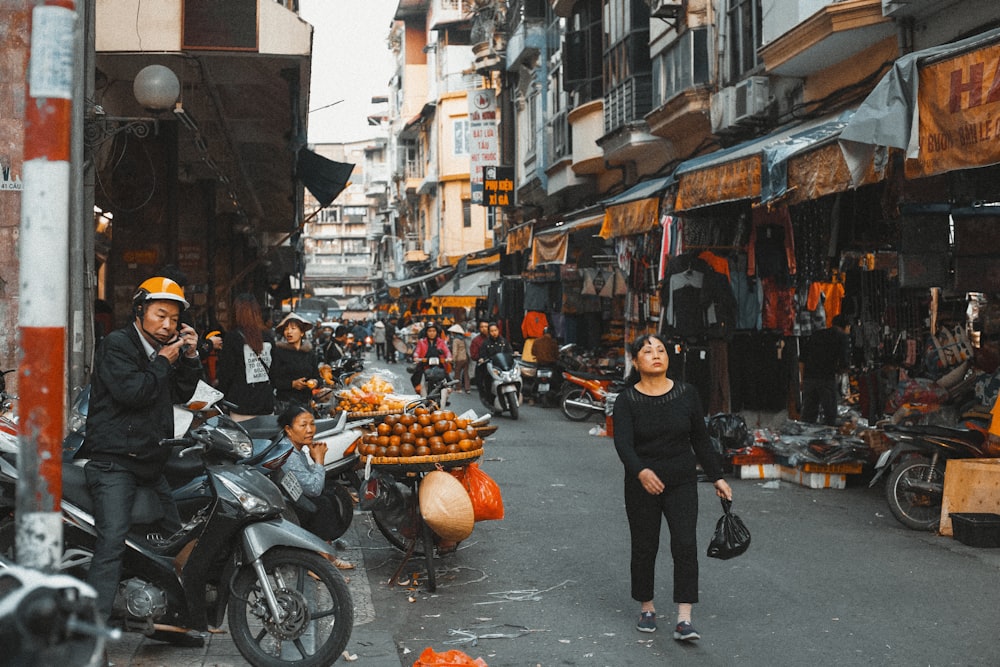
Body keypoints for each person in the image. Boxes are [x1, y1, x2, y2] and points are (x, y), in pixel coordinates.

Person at [82, 277, 203, 622]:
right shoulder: (118, 345)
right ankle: (91, 638)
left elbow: (182, 392)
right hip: (114, 465)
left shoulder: (165, 352)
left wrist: (190, 356)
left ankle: (173, 623)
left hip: (150, 462)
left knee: (175, 538)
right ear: (140, 311)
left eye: (174, 320)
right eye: (160, 315)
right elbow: (134, 392)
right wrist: (164, 361)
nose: (168, 325)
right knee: (111, 545)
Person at [612, 333, 732, 642]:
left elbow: (700, 439)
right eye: (648, 351)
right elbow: (623, 444)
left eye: (661, 350)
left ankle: (684, 617)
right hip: (642, 485)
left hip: (681, 481)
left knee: (684, 545)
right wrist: (640, 472)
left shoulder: (687, 394)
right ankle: (647, 607)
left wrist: (717, 476)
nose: (656, 355)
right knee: (644, 545)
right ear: (635, 362)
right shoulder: (626, 400)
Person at [277, 404, 355, 570]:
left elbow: (307, 479)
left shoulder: (295, 448)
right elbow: (313, 489)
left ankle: (327, 553)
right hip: (288, 507)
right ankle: (320, 562)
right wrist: (319, 460)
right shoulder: (288, 454)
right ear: (289, 430)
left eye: (312, 424)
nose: (310, 430)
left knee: (329, 494)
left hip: (296, 497)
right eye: (303, 425)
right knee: (322, 503)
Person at [217, 294, 275, 420]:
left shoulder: (232, 338)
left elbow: (226, 373)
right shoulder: (268, 337)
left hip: (241, 405)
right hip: (266, 402)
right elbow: (275, 371)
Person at [799, 314, 851, 426]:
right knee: (830, 415)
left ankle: (805, 438)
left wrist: (802, 379)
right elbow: (844, 363)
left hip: (809, 378)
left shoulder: (816, 334)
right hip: (826, 379)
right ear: (846, 327)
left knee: (808, 415)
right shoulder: (842, 337)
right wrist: (842, 372)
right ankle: (828, 440)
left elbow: (802, 359)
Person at [271, 312, 321, 412]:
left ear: (302, 333)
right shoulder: (278, 352)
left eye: (293, 328)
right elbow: (273, 380)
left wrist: (315, 382)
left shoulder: (309, 353)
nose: (288, 332)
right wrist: (292, 384)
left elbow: (318, 377)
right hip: (285, 404)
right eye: (286, 329)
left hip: (306, 403)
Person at [410, 323, 451, 393]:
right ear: (426, 332)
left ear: (436, 332)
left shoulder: (441, 342)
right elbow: (417, 351)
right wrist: (416, 357)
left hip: (439, 364)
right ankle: (418, 391)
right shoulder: (422, 342)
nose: (432, 333)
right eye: (429, 331)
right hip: (424, 364)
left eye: (434, 331)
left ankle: (445, 394)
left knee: (448, 380)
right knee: (415, 377)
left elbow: (447, 351)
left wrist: (449, 358)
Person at [448, 324, 471, 393]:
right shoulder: (463, 339)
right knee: (466, 374)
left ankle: (458, 388)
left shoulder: (456, 340)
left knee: (457, 374)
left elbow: (455, 351)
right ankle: (467, 389)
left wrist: (453, 359)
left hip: (459, 359)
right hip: (466, 358)